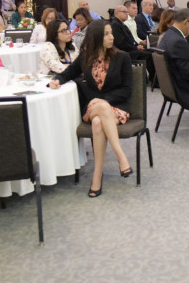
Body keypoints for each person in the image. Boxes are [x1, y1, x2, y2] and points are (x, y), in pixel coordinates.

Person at [49, 21, 134, 198]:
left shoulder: (123, 57)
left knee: (97, 123)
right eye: (106, 34)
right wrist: (56, 81)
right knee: (99, 110)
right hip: (93, 107)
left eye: (111, 33)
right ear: (96, 37)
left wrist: (104, 100)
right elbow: (67, 74)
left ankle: (97, 175)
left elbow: (127, 90)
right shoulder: (86, 57)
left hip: (116, 107)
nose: (112, 37)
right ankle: (121, 156)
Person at [110, 5, 155, 80]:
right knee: (149, 55)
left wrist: (137, 45)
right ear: (117, 13)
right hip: (124, 52)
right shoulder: (115, 25)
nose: (127, 14)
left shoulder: (122, 24)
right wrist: (136, 47)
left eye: (127, 12)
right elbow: (120, 43)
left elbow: (131, 39)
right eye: (124, 12)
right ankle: (153, 79)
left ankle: (152, 78)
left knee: (151, 50)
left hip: (130, 49)